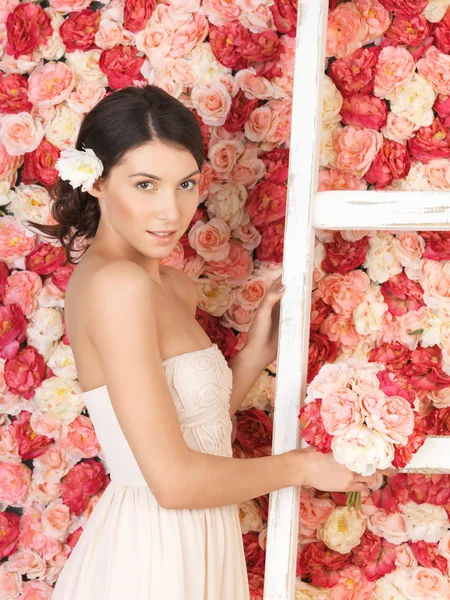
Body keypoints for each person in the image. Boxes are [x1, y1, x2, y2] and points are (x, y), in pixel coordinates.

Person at [26, 85, 380, 600]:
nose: (171, 211)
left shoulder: (170, 285)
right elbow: (172, 482)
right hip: (153, 549)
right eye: (145, 184)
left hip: (197, 538)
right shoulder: (115, 286)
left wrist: (253, 356)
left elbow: (192, 429)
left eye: (185, 184)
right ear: (95, 181)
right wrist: (301, 467)